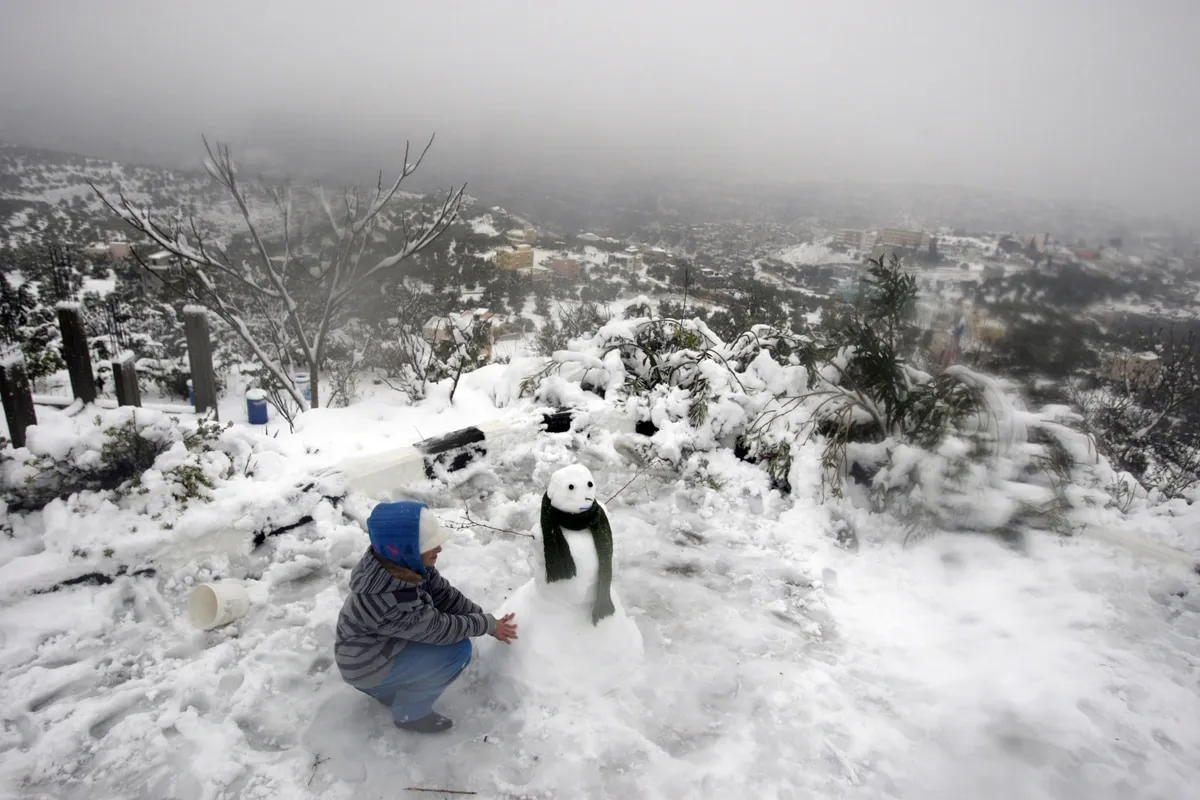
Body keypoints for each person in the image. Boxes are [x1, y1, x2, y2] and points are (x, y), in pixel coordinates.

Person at [335, 500, 518, 733]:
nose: (439, 549)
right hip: (366, 667)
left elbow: (444, 594)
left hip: (380, 648)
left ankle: (391, 687)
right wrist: (487, 624)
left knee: (442, 637)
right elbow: (440, 629)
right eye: (430, 544)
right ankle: (409, 714)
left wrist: (480, 616)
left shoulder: (403, 564)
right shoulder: (391, 599)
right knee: (455, 652)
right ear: (405, 549)